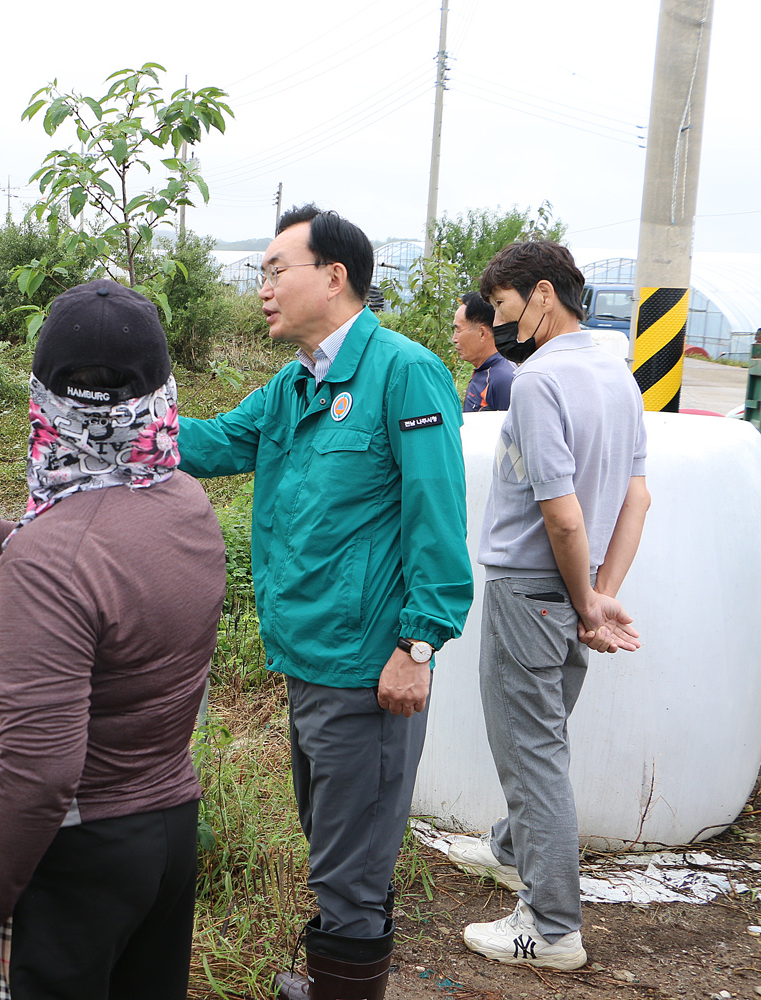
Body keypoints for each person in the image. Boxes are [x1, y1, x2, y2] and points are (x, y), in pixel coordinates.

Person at [0, 279, 227, 1000]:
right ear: (162, 394)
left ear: (44, 402)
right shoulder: (182, 500)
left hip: (63, 861)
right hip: (159, 832)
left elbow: (39, 767)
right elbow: (96, 571)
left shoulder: (53, 560)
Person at [177, 204, 474, 1000]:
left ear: (334, 277)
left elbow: (438, 519)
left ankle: (341, 986)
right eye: (262, 274)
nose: (263, 289)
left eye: (276, 270)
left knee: (347, 864)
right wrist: (119, 415)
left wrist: (418, 649)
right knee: (339, 842)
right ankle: (347, 977)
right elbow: (211, 444)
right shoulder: (295, 383)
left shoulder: (402, 372)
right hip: (307, 657)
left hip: (367, 666)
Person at [452, 240, 650, 970]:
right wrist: (598, 596)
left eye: (503, 307)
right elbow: (636, 497)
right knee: (541, 736)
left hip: (530, 591)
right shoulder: (618, 377)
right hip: (569, 591)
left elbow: (563, 515)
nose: (502, 324)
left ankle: (551, 927)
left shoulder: (540, 383)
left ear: (541, 294)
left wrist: (587, 602)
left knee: (533, 754)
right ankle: (510, 849)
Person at [453, 290, 515, 412]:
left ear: (482, 333)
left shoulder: (503, 379)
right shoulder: (484, 371)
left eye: (458, 330)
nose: (454, 339)